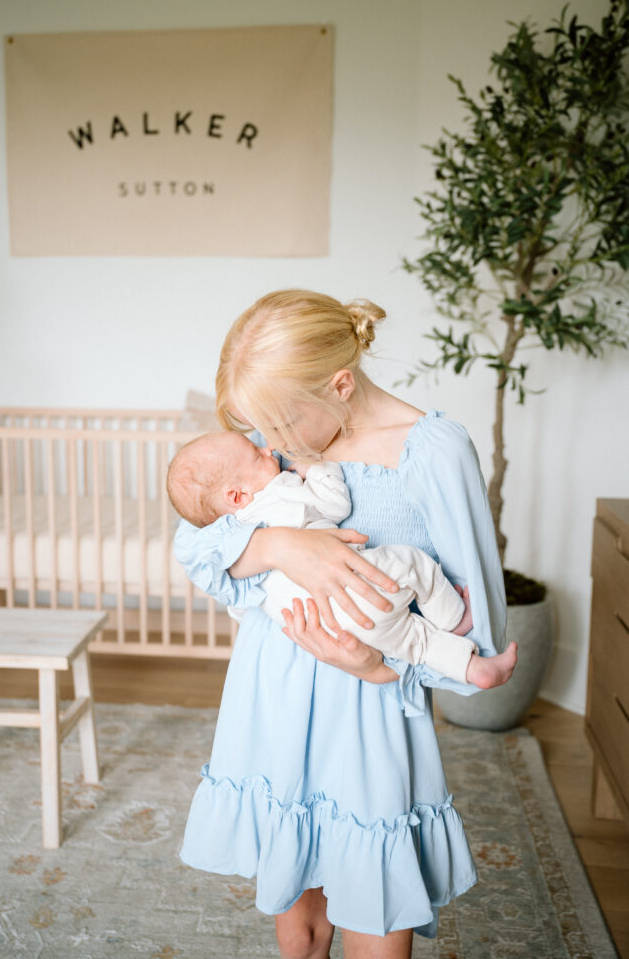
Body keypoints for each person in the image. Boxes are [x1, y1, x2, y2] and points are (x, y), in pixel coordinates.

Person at [174, 290, 509, 959]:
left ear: (340, 384)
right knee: (298, 924)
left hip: (367, 708)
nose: (265, 445)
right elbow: (196, 543)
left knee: (375, 913)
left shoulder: (431, 452)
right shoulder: (276, 442)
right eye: (255, 430)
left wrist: (376, 666)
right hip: (274, 699)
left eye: (274, 427)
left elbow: (478, 642)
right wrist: (277, 547)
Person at [167, 429, 517, 689]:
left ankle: (474, 670)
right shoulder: (278, 493)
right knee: (413, 565)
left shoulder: (227, 540)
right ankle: (454, 617)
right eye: (258, 455)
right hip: (360, 593)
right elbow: (336, 506)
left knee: (416, 642)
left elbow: (240, 607)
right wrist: (315, 468)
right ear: (238, 495)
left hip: (327, 629)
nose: (267, 448)